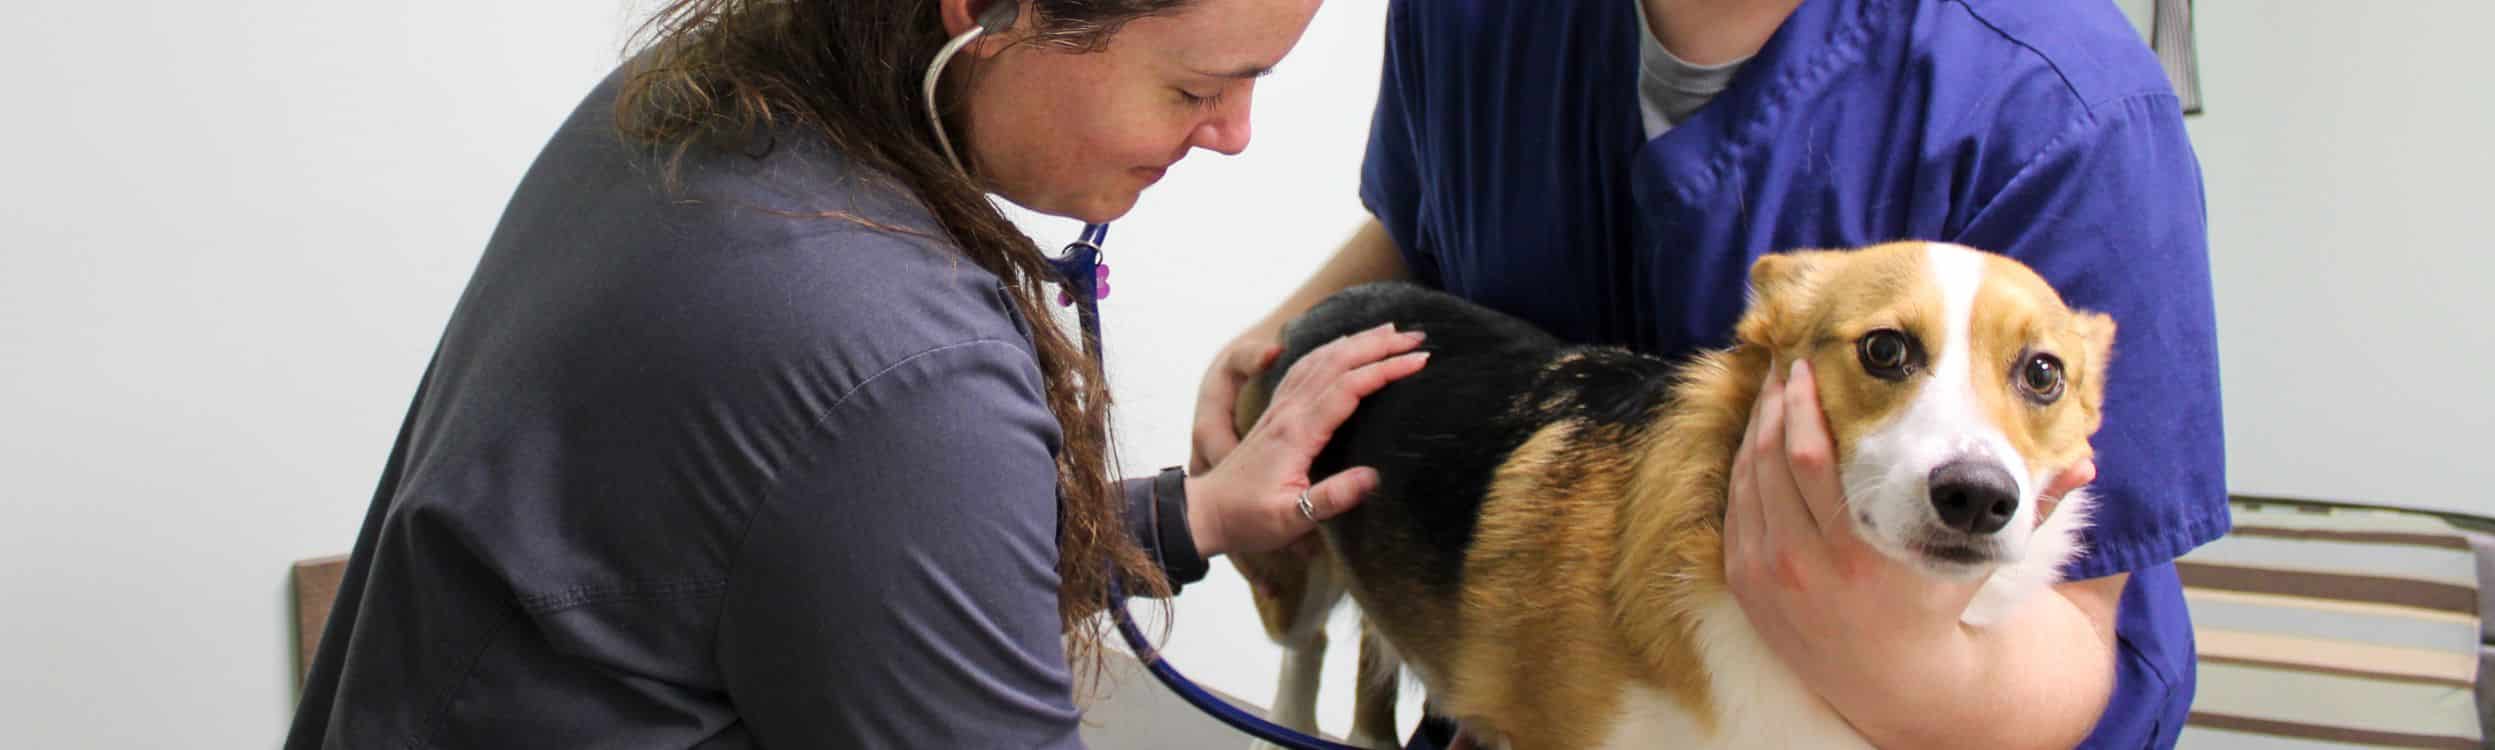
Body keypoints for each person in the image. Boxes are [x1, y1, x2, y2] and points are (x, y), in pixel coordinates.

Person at [283, 0, 1436, 747]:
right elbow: (877, 445)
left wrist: (1189, 516)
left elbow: (811, 552)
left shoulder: (693, 114)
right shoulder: (892, 353)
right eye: (1194, 88)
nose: (1234, 133)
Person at [1192, 0, 2227, 747]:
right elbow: (1425, 221)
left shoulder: (2065, 101)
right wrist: (1269, 345)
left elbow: (2086, 625)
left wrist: (1886, 659)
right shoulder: (1465, 17)